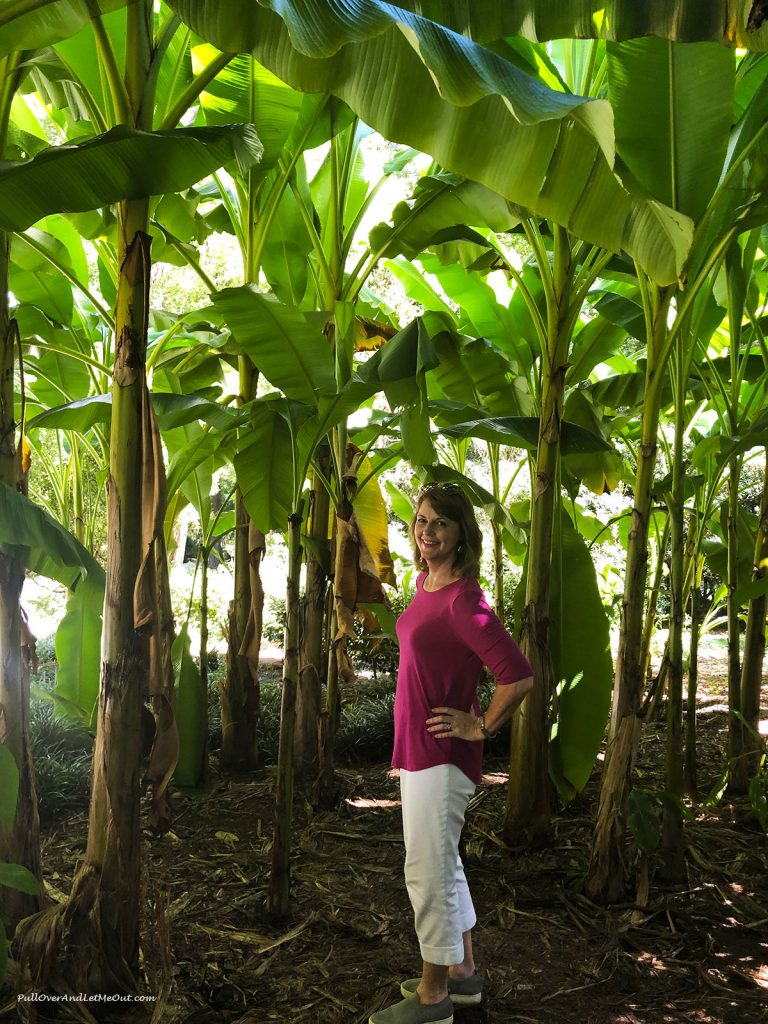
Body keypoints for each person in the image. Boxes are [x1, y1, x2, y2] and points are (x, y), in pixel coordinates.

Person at [370, 482, 534, 1024]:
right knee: (444, 863)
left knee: (428, 872)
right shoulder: (426, 583)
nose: (426, 531)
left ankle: (433, 997)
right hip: (420, 750)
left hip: (442, 757)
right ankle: (463, 975)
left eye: (440, 522)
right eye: (420, 520)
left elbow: (518, 676)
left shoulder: (464, 599)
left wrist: (481, 723)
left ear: (462, 531)